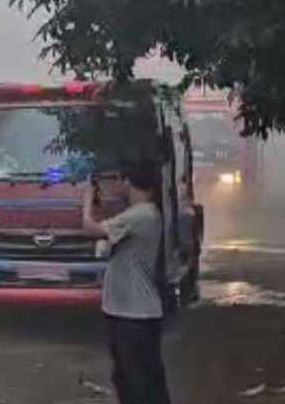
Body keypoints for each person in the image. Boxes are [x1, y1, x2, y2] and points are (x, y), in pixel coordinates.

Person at [82, 159, 171, 404]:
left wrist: (86, 199)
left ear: (128, 182)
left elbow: (88, 229)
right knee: (128, 379)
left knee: (140, 383)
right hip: (124, 311)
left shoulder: (141, 215)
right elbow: (104, 239)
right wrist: (99, 208)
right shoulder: (138, 216)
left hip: (136, 314)